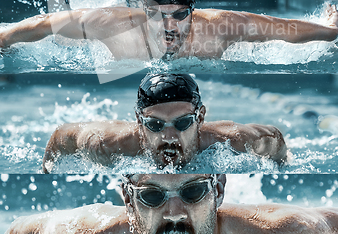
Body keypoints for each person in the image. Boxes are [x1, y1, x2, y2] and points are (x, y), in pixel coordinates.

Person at [2, 173, 338, 234]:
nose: (174, 212)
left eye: (193, 192)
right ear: (129, 200)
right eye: (151, 196)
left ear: (218, 190)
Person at [1, 0, 338, 61]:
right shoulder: (115, 25)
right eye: (155, 15)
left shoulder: (219, 26)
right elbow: (45, 25)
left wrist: (329, 32)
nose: (168, 27)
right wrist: (4, 39)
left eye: (179, 15)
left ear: (193, 12)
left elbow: (282, 30)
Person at [42, 73, 287, 172]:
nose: (169, 136)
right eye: (155, 125)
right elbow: (59, 137)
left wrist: (285, 165)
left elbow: (275, 138)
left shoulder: (235, 141)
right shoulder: (105, 144)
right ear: (139, 121)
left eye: (182, 123)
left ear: (200, 118)